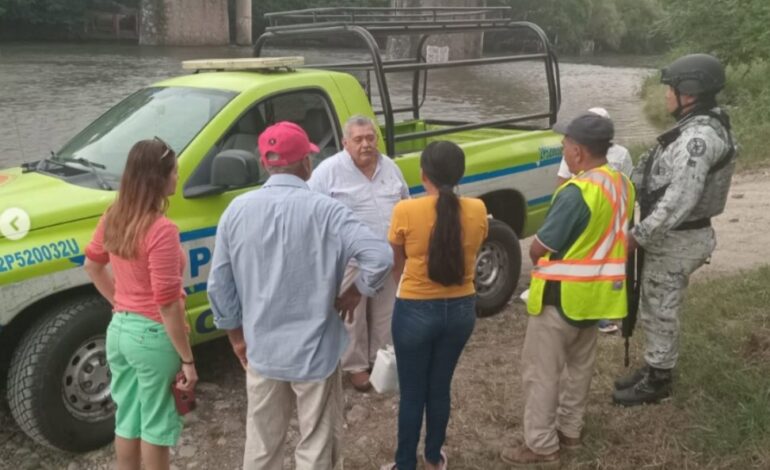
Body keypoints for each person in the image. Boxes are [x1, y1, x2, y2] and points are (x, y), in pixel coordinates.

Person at [207, 121, 393, 470]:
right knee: (317, 445)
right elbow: (380, 257)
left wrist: (236, 337)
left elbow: (219, 285)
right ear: (306, 165)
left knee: (262, 445)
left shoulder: (236, 210)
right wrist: (356, 292)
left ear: (265, 164)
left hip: (262, 349)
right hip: (316, 352)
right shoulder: (327, 210)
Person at [501, 113, 634, 467]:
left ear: (578, 151)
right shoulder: (621, 184)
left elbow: (539, 247)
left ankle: (542, 445)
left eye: (565, 144)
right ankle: (570, 432)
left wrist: (538, 251)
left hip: (561, 298)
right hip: (597, 297)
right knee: (580, 368)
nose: (563, 148)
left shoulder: (577, 191)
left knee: (542, 373)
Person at [613, 53, 737, 406]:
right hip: (674, 235)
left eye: (670, 88)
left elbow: (681, 197)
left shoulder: (698, 139)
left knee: (661, 304)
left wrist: (638, 237)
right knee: (654, 303)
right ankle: (655, 365)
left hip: (679, 238)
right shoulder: (698, 127)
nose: (665, 95)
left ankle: (659, 380)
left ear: (690, 92)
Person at [84, 138, 197, 470]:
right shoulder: (162, 230)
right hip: (152, 337)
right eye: (174, 171)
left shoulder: (114, 216)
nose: (178, 176)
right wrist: (187, 360)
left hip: (119, 329)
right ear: (157, 179)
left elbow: (92, 265)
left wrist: (121, 302)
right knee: (157, 425)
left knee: (128, 418)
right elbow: (167, 303)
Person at [382, 141, 488, 470]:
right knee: (439, 386)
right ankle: (433, 457)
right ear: (460, 174)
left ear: (422, 174)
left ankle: (404, 464)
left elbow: (397, 264)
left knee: (413, 393)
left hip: (414, 309)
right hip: (460, 311)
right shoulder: (477, 209)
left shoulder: (405, 211)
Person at [309, 114, 410, 392]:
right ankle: (355, 367)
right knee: (352, 317)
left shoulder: (390, 167)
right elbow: (311, 215)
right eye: (358, 139)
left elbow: (405, 204)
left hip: (389, 256)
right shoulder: (327, 172)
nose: (366, 144)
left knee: (387, 313)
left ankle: (382, 361)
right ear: (345, 142)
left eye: (370, 137)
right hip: (349, 260)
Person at [556, 107, 633, 335]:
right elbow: (561, 181)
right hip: (579, 212)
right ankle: (585, 312)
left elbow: (626, 185)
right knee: (583, 265)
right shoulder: (572, 153)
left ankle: (599, 314)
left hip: (604, 217)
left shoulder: (622, 154)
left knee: (601, 268)